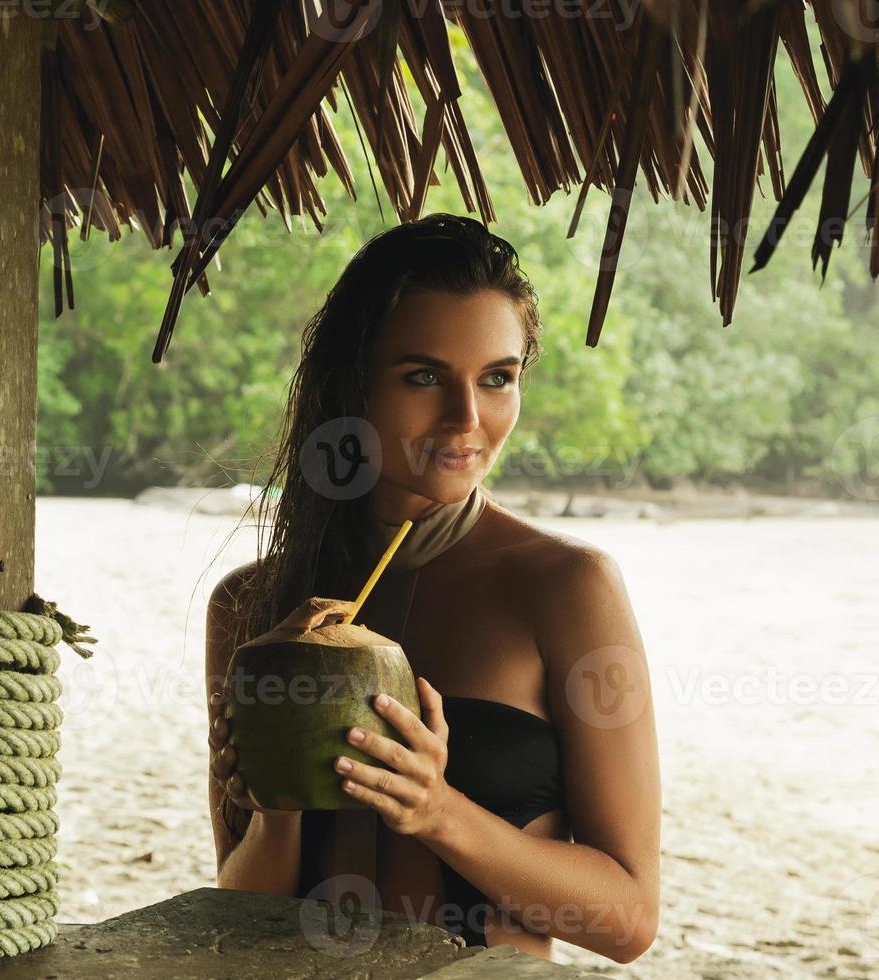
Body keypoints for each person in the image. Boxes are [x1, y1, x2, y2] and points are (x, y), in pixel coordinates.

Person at [204, 213, 660, 964]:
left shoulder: (566, 588)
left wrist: (440, 811)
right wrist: (276, 815)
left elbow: (629, 921)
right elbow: (245, 913)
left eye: (497, 378)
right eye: (423, 376)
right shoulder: (256, 607)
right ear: (351, 384)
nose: (467, 419)